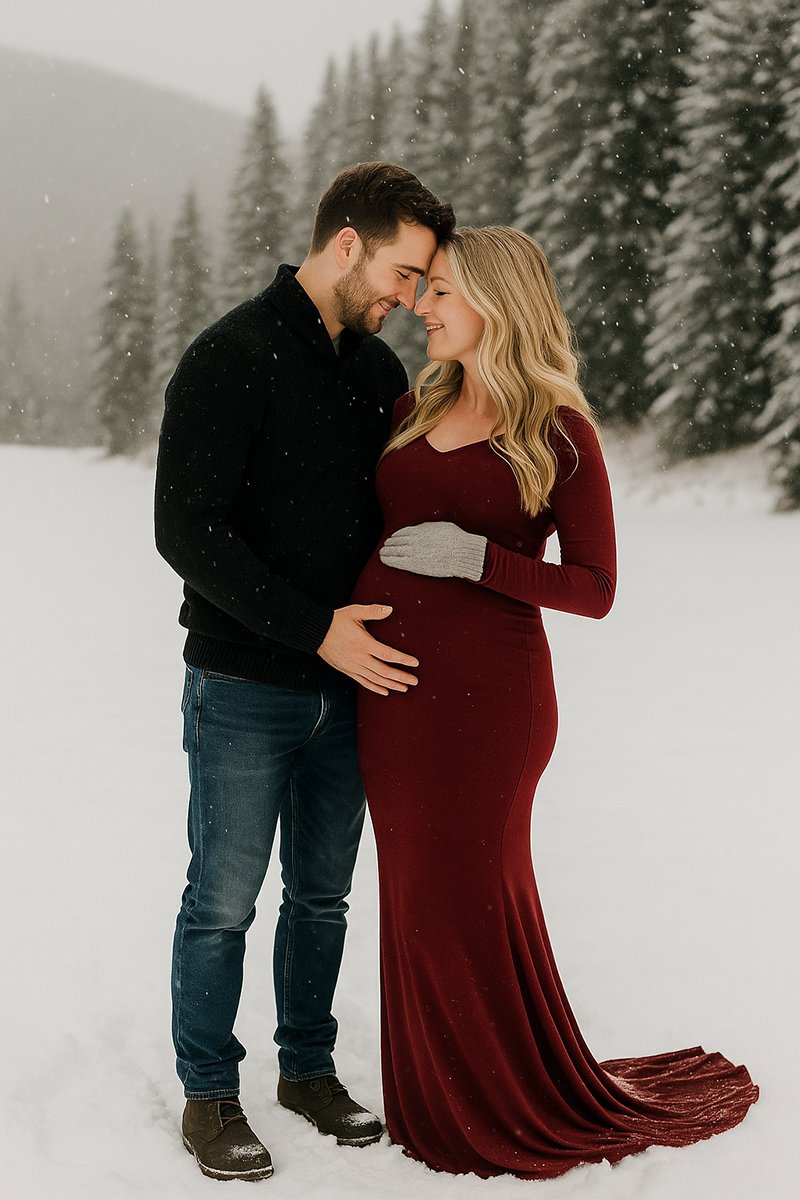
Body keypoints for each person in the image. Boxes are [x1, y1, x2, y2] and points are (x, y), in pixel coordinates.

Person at [353, 225, 758, 1179]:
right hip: (392, 700)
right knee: (415, 899)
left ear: (497, 300)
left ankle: (495, 1103)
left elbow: (596, 586)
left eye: (443, 291)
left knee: (466, 898)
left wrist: (479, 558)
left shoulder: (557, 429)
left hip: (489, 706)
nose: (423, 305)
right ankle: (437, 1095)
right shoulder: (416, 403)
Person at [154, 161, 455, 1182]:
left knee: (321, 896)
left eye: (420, 285)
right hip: (242, 687)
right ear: (345, 245)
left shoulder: (374, 376)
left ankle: (307, 1070)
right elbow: (185, 530)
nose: (406, 300)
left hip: (348, 689)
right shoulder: (228, 356)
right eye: (403, 275)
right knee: (222, 902)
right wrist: (313, 629)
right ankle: (208, 1094)